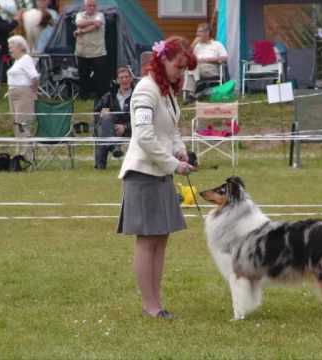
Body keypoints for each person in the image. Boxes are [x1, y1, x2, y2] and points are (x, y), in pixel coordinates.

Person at [117, 37, 197, 319]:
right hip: (143, 174)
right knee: (147, 240)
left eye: (185, 68)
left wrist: (180, 150)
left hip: (161, 171)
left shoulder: (166, 92)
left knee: (161, 238)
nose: (181, 73)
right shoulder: (145, 91)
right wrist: (174, 164)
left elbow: (170, 128)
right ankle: (150, 305)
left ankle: (156, 300)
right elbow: (145, 137)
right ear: (162, 60)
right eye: (179, 66)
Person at [93, 66, 134, 170]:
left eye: (126, 77)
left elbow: (140, 119)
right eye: (121, 78)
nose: (124, 80)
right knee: (105, 121)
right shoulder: (109, 96)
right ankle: (114, 146)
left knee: (103, 132)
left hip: (131, 130)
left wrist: (125, 127)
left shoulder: (138, 95)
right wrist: (101, 114)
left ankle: (100, 166)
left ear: (131, 79)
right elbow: (96, 114)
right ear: (117, 80)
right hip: (111, 129)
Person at [7, 35, 39, 161]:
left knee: (22, 124)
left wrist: (32, 92)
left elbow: (34, 77)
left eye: (12, 47)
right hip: (12, 93)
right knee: (15, 123)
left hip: (23, 94)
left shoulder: (26, 59)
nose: (10, 49)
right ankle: (18, 152)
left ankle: (26, 156)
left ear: (20, 46)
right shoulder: (17, 61)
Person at [182, 23, 227, 103]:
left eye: (200, 32)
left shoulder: (217, 44)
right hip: (197, 68)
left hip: (211, 68)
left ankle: (192, 93)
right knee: (192, 67)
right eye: (197, 32)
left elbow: (224, 58)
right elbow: (187, 56)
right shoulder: (197, 45)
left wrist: (207, 59)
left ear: (207, 33)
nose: (197, 34)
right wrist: (193, 44)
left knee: (192, 69)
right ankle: (193, 92)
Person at [73, 0, 109, 100]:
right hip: (82, 52)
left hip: (98, 52)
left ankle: (102, 97)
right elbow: (79, 23)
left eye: (94, 6)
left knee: (100, 77)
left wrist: (80, 31)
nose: (92, 8)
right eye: (89, 5)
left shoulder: (100, 15)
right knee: (83, 76)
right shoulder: (79, 15)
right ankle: (84, 97)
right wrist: (92, 21)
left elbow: (95, 26)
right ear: (85, 6)